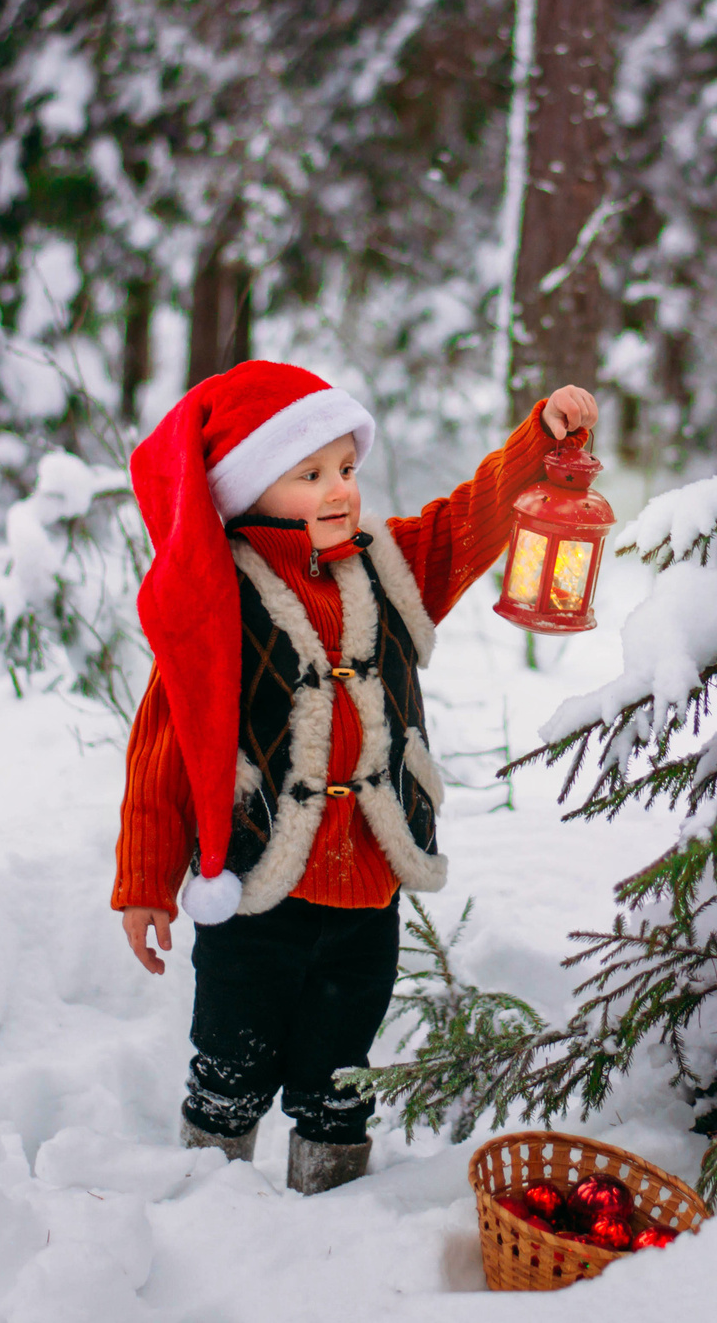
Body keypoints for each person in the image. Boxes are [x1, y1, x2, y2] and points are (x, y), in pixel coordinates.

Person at [113, 360, 597, 1195]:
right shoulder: (215, 595)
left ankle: (329, 1202)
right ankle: (206, 1194)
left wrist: (537, 444)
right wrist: (146, 879)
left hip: (369, 884)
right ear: (247, 486)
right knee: (232, 1056)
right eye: (309, 474)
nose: (339, 488)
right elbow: (163, 744)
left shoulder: (390, 564)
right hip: (258, 886)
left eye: (346, 467)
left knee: (340, 1073)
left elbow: (468, 522)